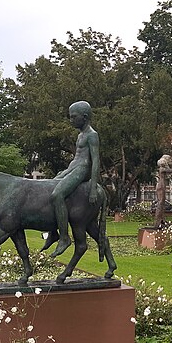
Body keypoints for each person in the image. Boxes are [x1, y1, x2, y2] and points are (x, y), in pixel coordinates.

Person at [50, 101, 100, 256]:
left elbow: (95, 161)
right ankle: (53, 233)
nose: (70, 120)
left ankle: (64, 238)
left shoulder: (92, 135)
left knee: (57, 195)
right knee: (49, 186)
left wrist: (93, 188)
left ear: (84, 117)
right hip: (74, 168)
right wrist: (65, 172)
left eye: (73, 117)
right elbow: (76, 158)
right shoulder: (80, 135)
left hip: (82, 171)